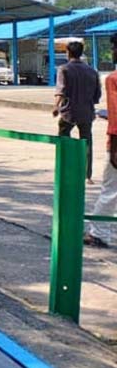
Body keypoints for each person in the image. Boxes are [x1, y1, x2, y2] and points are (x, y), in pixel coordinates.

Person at [83, 35, 117, 247]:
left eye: (114, 47)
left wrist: (113, 146)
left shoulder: (113, 78)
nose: (112, 52)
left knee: (111, 188)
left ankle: (99, 232)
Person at [54, 40, 102, 183]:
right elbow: (97, 95)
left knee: (63, 138)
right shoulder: (92, 71)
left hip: (69, 112)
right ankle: (87, 175)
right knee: (86, 142)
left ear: (68, 53)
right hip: (87, 112)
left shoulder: (64, 69)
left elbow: (60, 91)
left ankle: (65, 168)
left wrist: (56, 107)